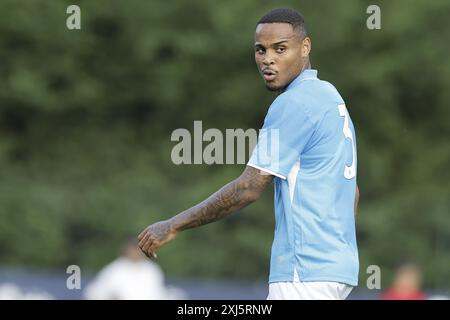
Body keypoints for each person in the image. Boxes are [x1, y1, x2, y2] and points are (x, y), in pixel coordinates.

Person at [138, 8, 360, 300]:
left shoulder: (293, 103)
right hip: (337, 269)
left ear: (305, 47)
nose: (268, 59)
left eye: (280, 49)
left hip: (304, 272)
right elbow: (352, 192)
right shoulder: (329, 96)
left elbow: (248, 188)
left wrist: (173, 224)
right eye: (261, 50)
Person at [83, 238, 168, 300]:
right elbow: (94, 293)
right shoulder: (115, 270)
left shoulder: (152, 270)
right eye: (134, 249)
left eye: (139, 249)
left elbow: (158, 294)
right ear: (127, 250)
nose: (137, 252)